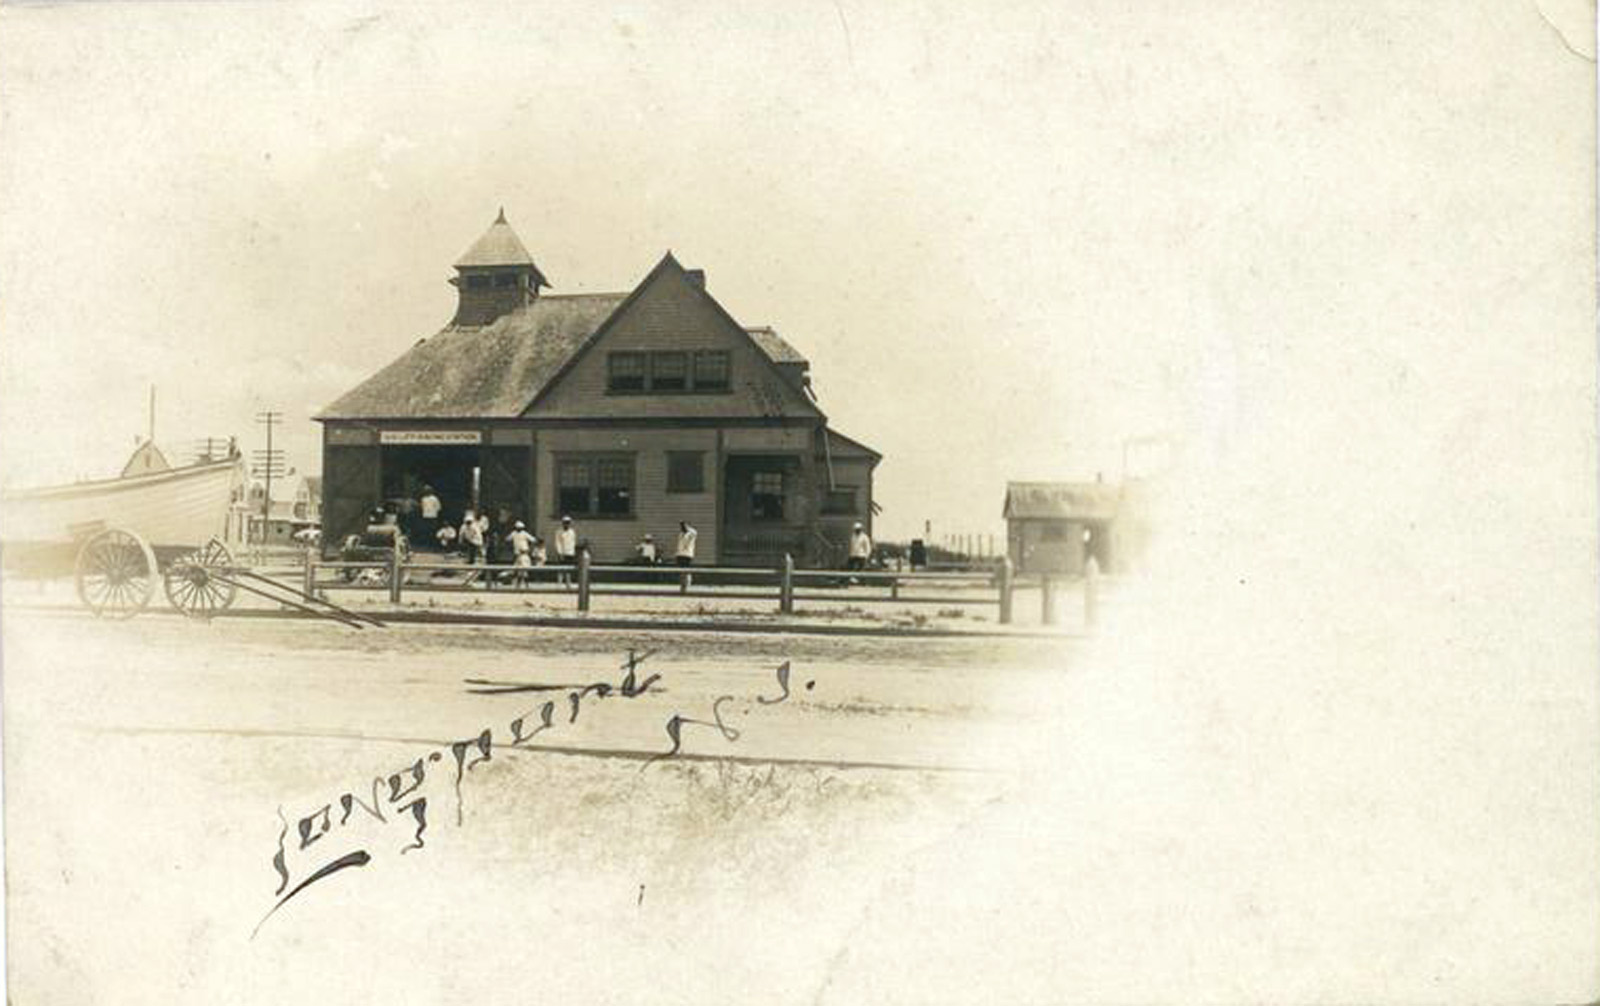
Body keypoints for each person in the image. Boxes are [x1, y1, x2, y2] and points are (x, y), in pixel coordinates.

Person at [506, 520, 535, 585]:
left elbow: (533, 540)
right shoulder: (513, 533)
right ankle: (518, 585)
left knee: (524, 570)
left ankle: (525, 584)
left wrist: (528, 548)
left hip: (524, 554)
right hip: (517, 554)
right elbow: (507, 539)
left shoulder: (524, 533)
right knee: (518, 570)